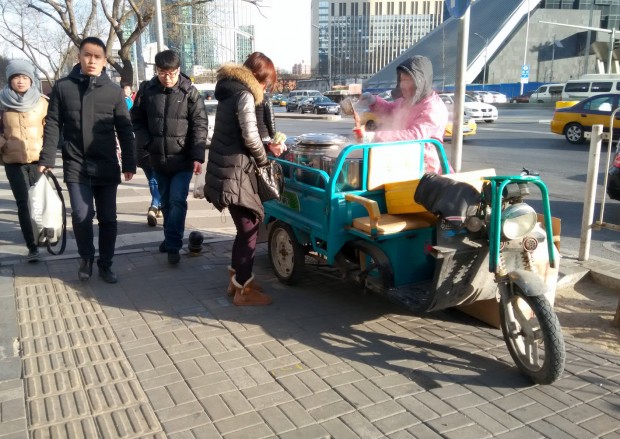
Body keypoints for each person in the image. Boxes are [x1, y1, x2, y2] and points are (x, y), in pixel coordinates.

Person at [38, 36, 136, 284]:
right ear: (79, 56)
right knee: (81, 215)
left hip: (105, 164)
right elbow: (52, 124)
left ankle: (106, 263)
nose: (92, 61)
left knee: (108, 218)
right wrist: (47, 157)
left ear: (104, 61)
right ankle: (86, 258)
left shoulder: (113, 92)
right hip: (76, 164)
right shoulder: (63, 87)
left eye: (97, 57)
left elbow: (124, 129)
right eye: (87, 55)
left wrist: (129, 164)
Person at [205, 52, 286, 306]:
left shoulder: (231, 91)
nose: (265, 89)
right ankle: (244, 292)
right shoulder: (245, 94)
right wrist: (264, 159)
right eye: (265, 83)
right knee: (250, 229)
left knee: (244, 230)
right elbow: (250, 137)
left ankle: (238, 280)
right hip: (236, 173)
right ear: (257, 79)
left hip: (227, 170)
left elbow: (242, 135)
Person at [131, 50, 208, 264]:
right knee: (164, 203)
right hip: (156, 158)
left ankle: (173, 245)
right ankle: (169, 237)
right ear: (156, 71)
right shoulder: (147, 90)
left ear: (179, 70)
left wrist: (197, 156)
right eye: (162, 72)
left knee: (177, 201)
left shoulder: (189, 93)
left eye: (172, 73)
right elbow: (136, 119)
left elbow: (200, 125)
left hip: (182, 160)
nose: (167, 77)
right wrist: (147, 142)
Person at [357, 55, 449, 173]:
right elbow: (391, 111)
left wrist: (375, 137)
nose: (403, 85)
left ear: (420, 81)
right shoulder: (407, 100)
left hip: (426, 168)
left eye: (407, 80)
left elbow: (414, 135)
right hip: (404, 160)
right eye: (401, 80)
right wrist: (374, 101)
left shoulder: (433, 108)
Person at [0, 59, 49, 262]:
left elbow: (52, 129)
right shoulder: (1, 103)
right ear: (9, 80)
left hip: (38, 160)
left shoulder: (42, 102)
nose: (20, 81)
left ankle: (44, 235)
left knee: (39, 201)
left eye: (24, 77)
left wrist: (48, 152)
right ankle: (32, 246)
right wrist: (4, 143)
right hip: (13, 161)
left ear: (31, 79)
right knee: (23, 203)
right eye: (16, 77)